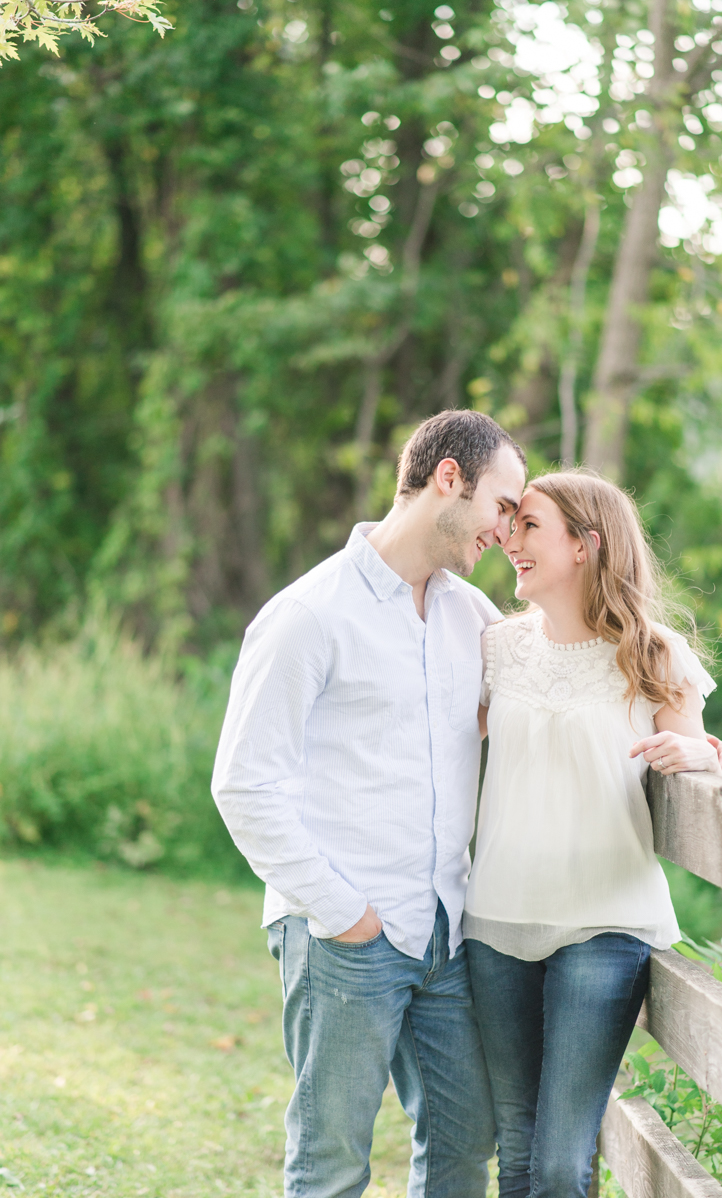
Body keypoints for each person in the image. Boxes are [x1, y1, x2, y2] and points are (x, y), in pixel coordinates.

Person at [211, 410, 528, 1198]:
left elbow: (559, 692)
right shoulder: (309, 614)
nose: (509, 528)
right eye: (503, 504)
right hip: (344, 932)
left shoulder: (473, 616)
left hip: (444, 931)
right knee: (333, 1161)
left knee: (467, 1137)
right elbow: (244, 782)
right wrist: (342, 911)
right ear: (448, 479)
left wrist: (683, 727)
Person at [463, 468, 722, 1198]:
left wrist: (707, 754)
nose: (509, 542)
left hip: (604, 928)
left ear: (585, 545)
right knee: (517, 1155)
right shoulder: (495, 647)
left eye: (529, 527)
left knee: (559, 1163)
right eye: (511, 525)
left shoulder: (654, 654)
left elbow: (701, 756)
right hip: (494, 923)